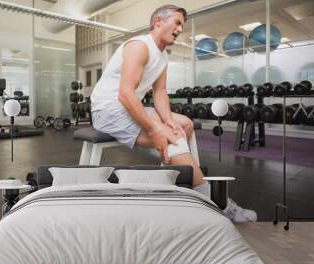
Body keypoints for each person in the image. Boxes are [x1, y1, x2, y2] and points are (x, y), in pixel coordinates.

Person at [90, 4, 256, 222]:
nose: (180, 29)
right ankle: (217, 204)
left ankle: (171, 181)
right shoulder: (139, 46)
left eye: (182, 25)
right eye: (177, 23)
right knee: (172, 138)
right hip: (108, 110)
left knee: (183, 124)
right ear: (158, 21)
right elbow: (125, 95)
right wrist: (155, 129)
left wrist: (167, 119)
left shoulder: (163, 57)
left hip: (127, 106)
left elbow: (159, 92)